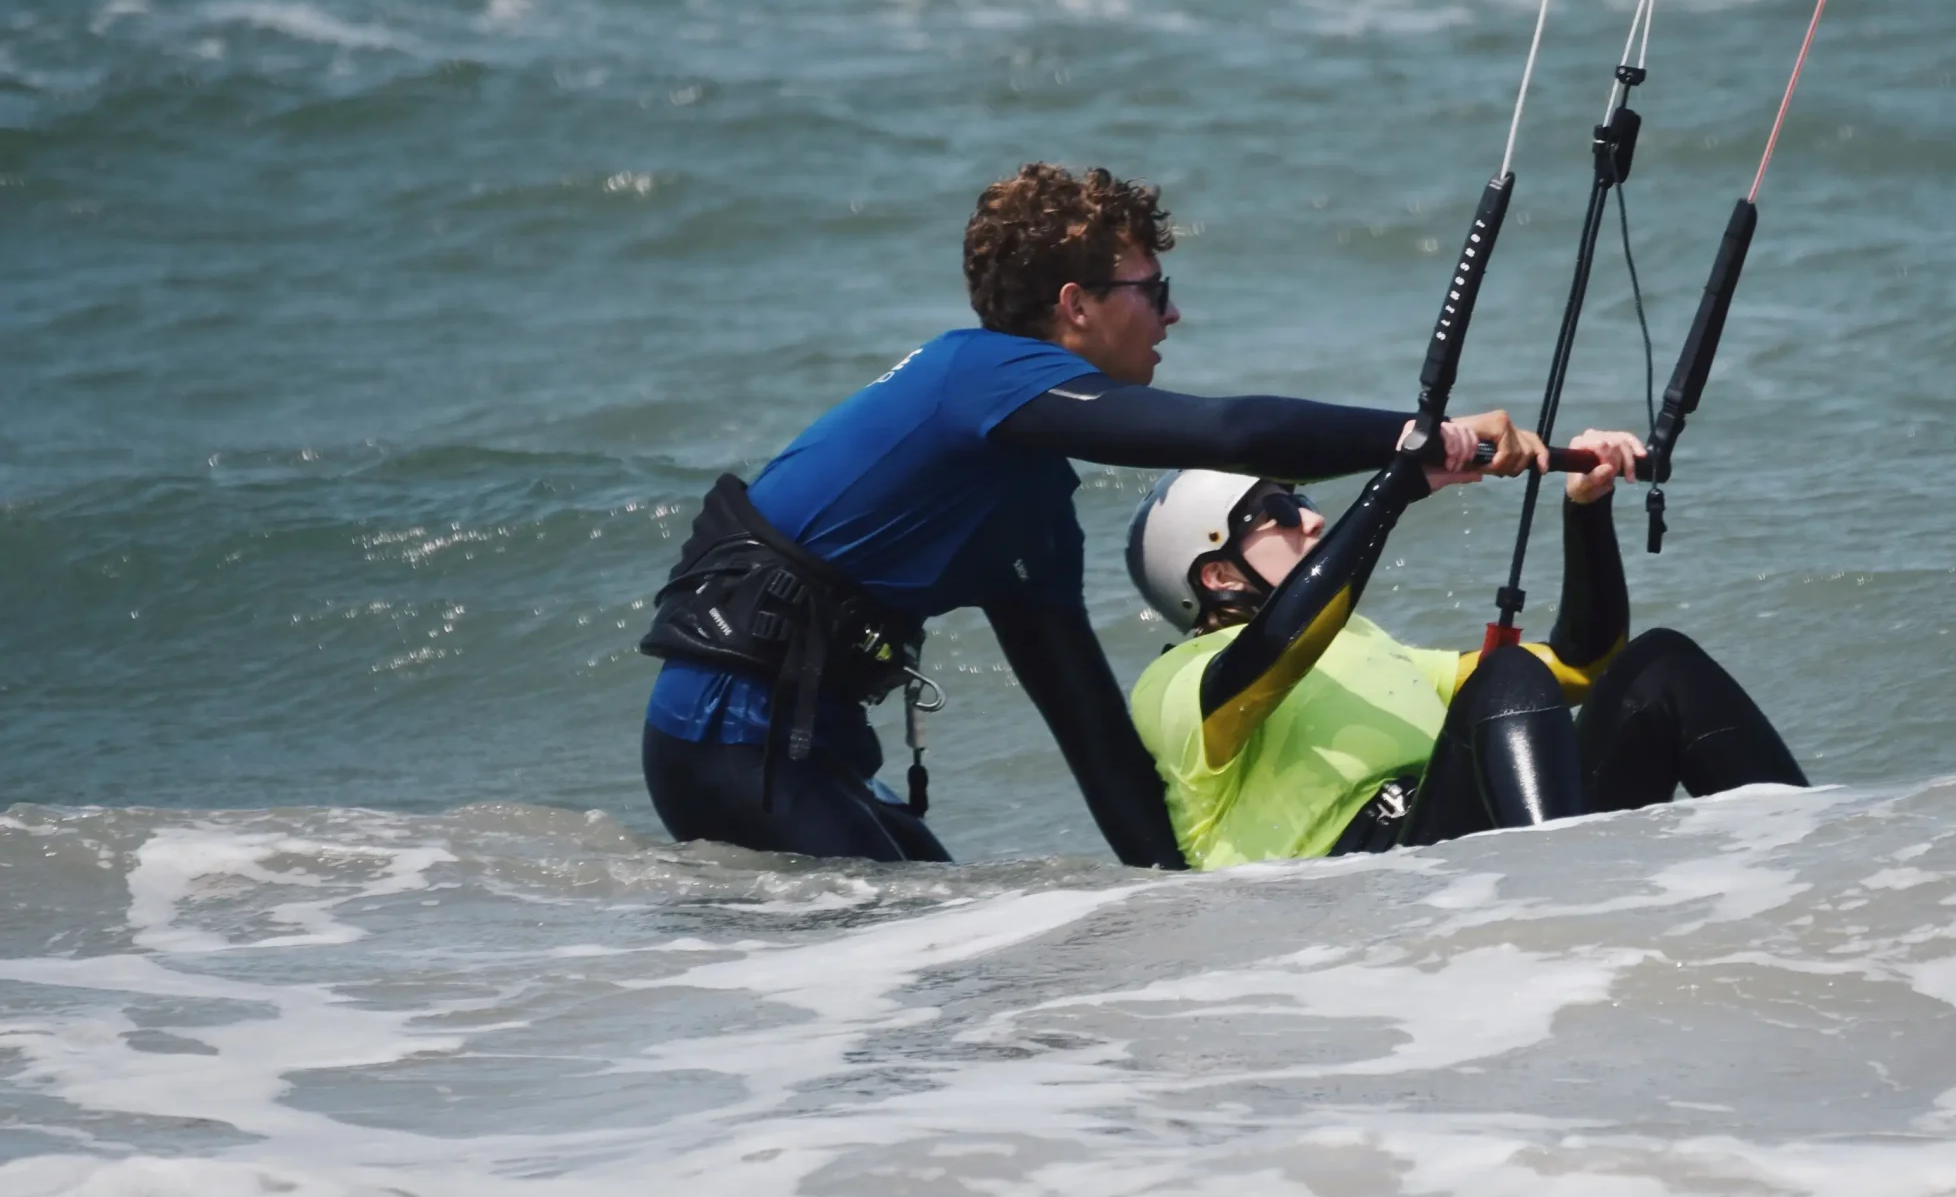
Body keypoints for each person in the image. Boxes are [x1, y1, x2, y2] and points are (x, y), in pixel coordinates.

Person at [637, 162, 1542, 867]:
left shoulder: (1030, 511)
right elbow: (1231, 431)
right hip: (727, 730)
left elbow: (1097, 741)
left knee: (950, 942)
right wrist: (1422, 438)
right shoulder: (974, 377)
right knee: (925, 969)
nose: (1173, 312)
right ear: (1075, 305)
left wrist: (1191, 916)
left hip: (807, 746)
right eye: (1153, 288)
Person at [1124, 431, 1806, 868]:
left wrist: (1586, 509)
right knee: (1504, 673)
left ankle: (1812, 867)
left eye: (1299, 498)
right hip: (1342, 904)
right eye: (1277, 511)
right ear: (1218, 575)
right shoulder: (1176, 683)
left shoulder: (1358, 645)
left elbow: (1580, 667)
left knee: (1660, 667)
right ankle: (1573, 912)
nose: (1312, 517)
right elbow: (1278, 647)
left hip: (1459, 856)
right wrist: (1395, 486)